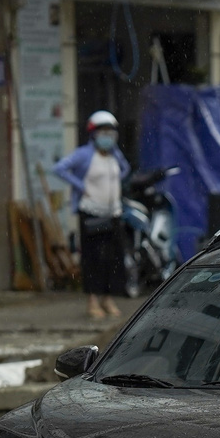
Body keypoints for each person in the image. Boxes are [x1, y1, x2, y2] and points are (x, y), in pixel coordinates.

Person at [52, 111, 132, 320]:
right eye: (103, 132)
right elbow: (60, 168)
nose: (108, 137)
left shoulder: (115, 154)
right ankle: (93, 301)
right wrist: (81, 186)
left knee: (114, 258)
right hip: (91, 213)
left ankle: (108, 298)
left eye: (111, 132)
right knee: (93, 258)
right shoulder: (84, 154)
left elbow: (125, 169)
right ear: (94, 134)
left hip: (113, 213)